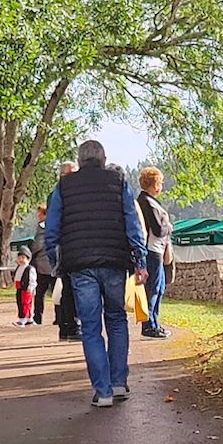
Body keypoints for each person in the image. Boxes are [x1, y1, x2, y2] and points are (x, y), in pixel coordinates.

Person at [45, 140, 147, 407]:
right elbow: (132, 223)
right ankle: (118, 382)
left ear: (79, 161)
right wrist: (140, 260)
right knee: (116, 320)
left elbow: (52, 228)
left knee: (90, 327)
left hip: (80, 265)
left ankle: (102, 392)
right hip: (114, 261)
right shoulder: (118, 182)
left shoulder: (64, 186)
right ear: (104, 159)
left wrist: (56, 261)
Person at [136, 167, 175, 339]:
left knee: (158, 288)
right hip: (152, 250)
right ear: (153, 184)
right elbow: (158, 229)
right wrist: (169, 226)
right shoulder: (146, 202)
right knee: (152, 289)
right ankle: (149, 325)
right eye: (160, 182)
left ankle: (155, 322)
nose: (161, 185)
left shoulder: (150, 201)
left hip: (157, 249)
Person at [51, 161, 81, 341]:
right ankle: (71, 325)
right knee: (70, 288)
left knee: (68, 288)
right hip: (66, 247)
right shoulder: (59, 194)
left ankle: (66, 326)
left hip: (70, 246)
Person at [28, 204, 55, 325]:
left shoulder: (42, 227)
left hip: (43, 265)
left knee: (40, 293)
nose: (37, 217)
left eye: (39, 214)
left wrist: (30, 252)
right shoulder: (56, 225)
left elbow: (38, 245)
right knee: (57, 293)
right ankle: (59, 317)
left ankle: (38, 316)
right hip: (55, 264)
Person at [12, 246, 37, 327]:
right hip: (19, 288)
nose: (21, 260)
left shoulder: (30, 269)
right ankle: (29, 319)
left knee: (25, 303)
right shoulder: (19, 268)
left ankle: (23, 319)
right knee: (20, 302)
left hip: (26, 289)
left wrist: (30, 287)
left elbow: (32, 280)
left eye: (23, 257)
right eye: (19, 258)